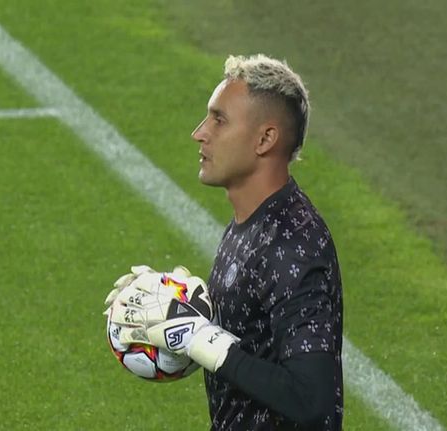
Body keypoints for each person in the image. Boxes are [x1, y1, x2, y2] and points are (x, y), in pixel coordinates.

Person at [108, 54, 343, 430]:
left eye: (219, 120)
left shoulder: (291, 245)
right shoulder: (253, 222)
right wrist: (176, 303)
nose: (200, 133)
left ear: (265, 139)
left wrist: (200, 339)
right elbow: (253, 339)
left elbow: (312, 399)